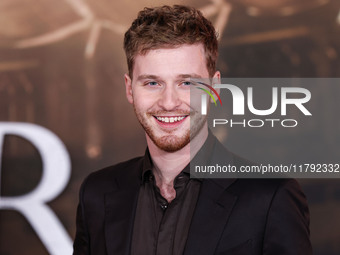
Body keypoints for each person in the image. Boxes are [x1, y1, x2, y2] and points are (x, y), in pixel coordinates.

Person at [73, 5, 312, 255]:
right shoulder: (96, 193)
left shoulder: (272, 197)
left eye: (187, 82)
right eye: (152, 83)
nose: (169, 102)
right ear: (129, 89)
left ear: (215, 87)